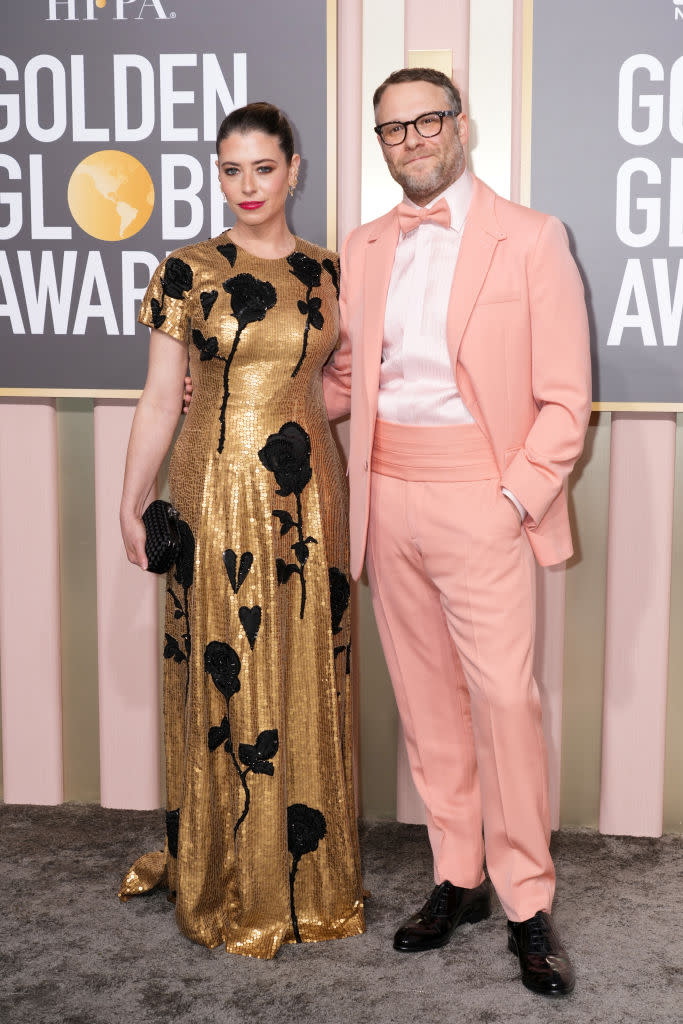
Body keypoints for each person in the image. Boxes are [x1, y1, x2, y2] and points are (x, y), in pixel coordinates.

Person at [322, 68, 591, 996]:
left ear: (460, 126)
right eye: (390, 129)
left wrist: (512, 498)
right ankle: (458, 878)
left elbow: (565, 398)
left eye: (425, 121)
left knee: (504, 705)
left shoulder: (532, 237)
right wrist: (245, 393)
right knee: (428, 705)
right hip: (385, 495)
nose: (410, 141)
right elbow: (345, 382)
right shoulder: (358, 247)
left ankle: (526, 901)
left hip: (484, 498)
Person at [118, 102, 365, 959]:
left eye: (264, 167)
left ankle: (310, 879)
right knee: (229, 679)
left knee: (306, 671)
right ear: (217, 174)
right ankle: (230, 874)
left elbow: (340, 385)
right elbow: (159, 397)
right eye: (232, 169)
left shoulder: (332, 270)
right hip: (213, 492)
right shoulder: (185, 270)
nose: (249, 185)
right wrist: (130, 497)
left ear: (294, 168)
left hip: (308, 497)